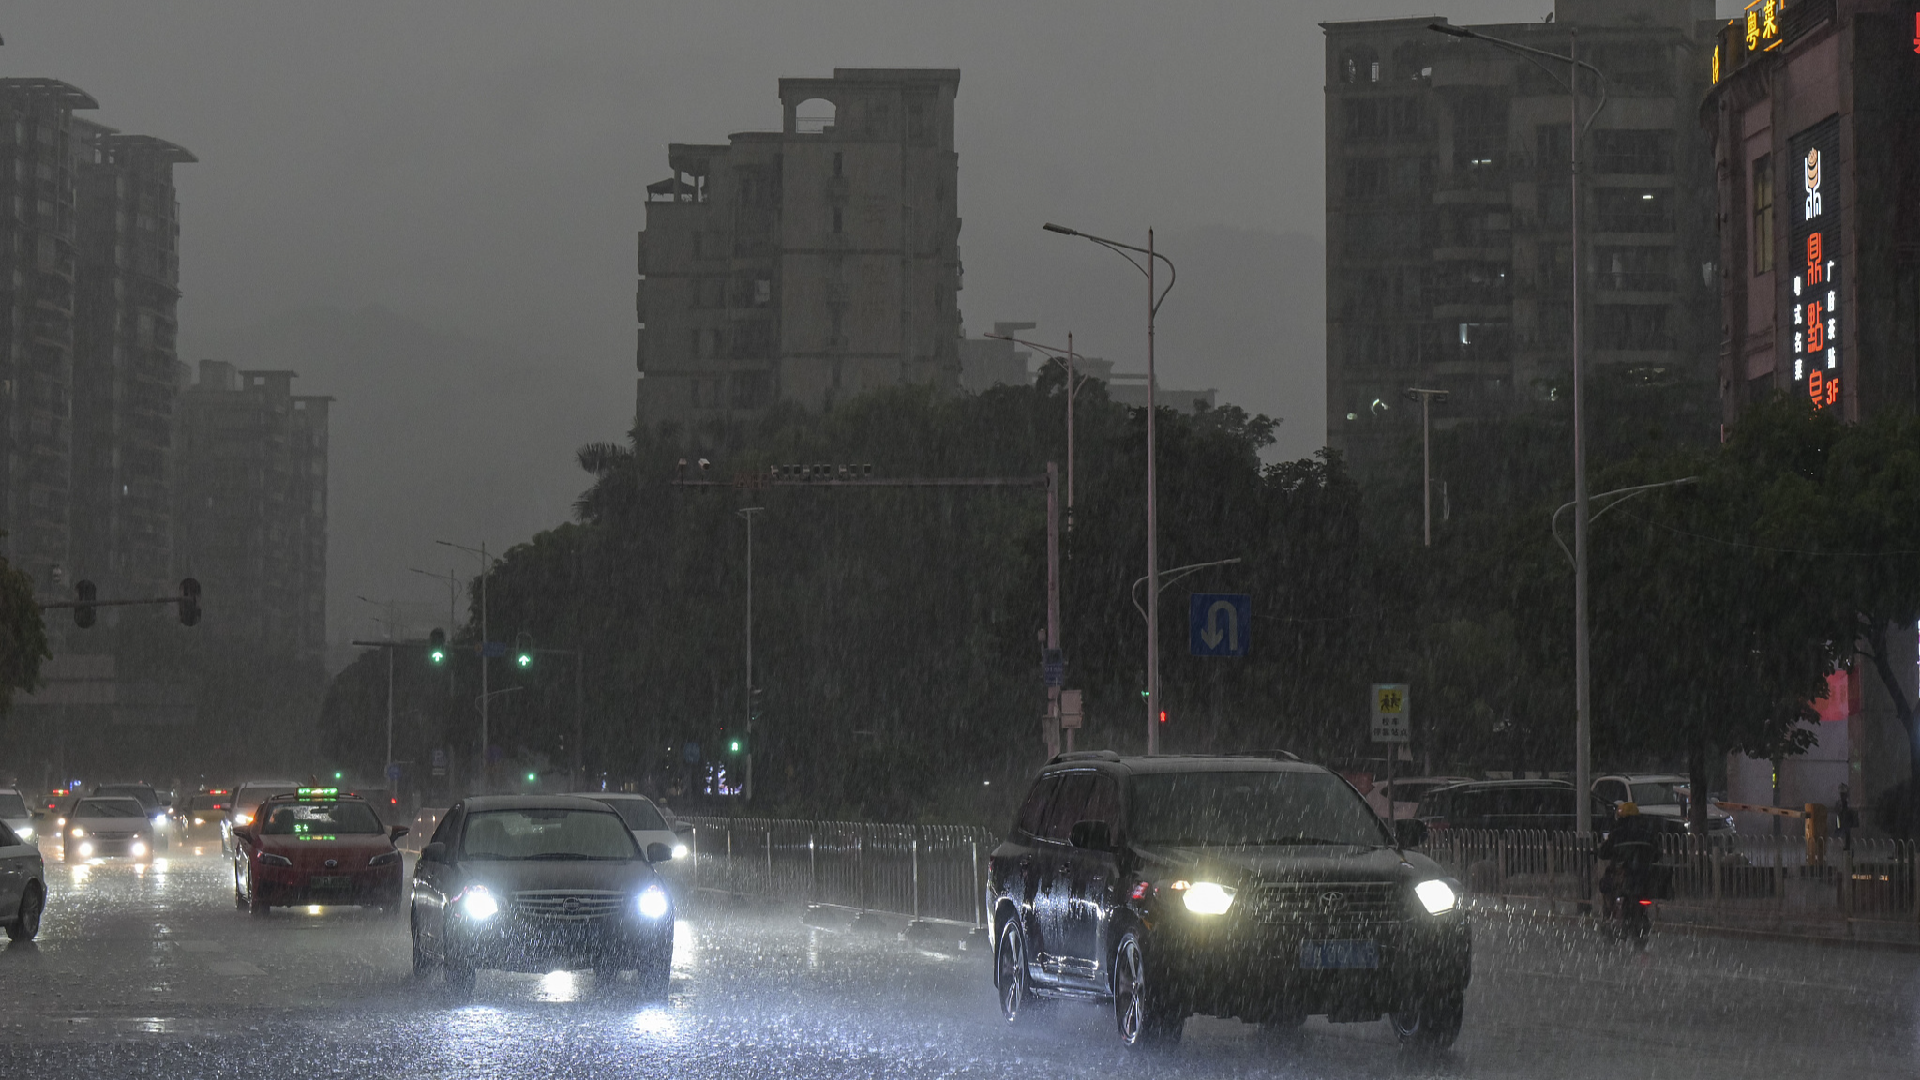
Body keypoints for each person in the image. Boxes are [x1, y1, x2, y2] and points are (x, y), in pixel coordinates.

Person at [1597, 802, 1662, 917]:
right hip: (1643, 876)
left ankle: (1609, 915)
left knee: (1607, 886)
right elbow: (1656, 854)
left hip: (1623, 876)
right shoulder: (1646, 834)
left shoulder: (1616, 834)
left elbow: (1603, 853)